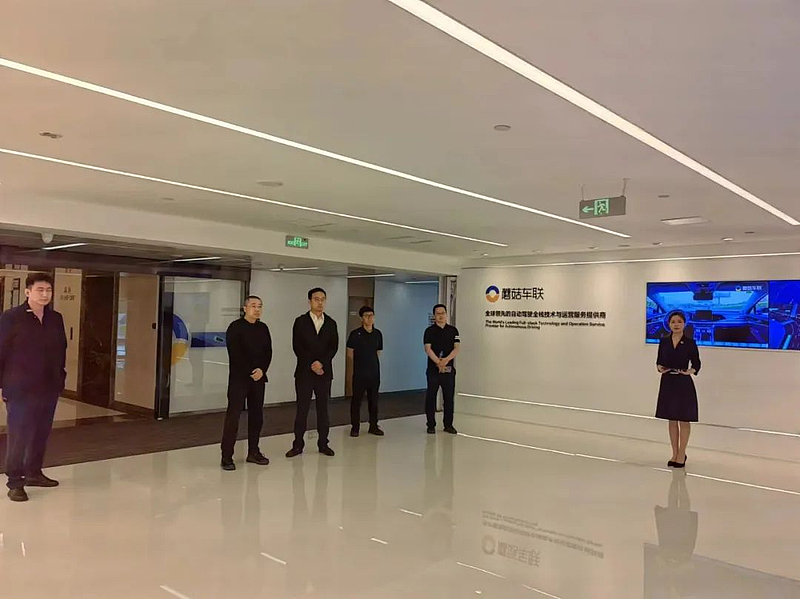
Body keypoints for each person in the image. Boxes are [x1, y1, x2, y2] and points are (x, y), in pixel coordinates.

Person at [0, 272, 67, 502]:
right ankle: (15, 482)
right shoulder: (11, 317)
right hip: (20, 388)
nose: (45, 294)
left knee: (41, 433)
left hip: (49, 387)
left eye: (48, 290)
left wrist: (60, 377)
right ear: (27, 291)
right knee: (19, 435)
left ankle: (34, 473)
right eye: (40, 290)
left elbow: (61, 350)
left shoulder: (55, 318)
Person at [220, 295, 273, 471]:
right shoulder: (235, 327)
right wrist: (251, 371)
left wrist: (262, 370)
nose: (257, 309)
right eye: (253, 306)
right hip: (239, 379)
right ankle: (227, 456)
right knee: (233, 416)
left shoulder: (263, 328)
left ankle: (254, 451)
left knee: (257, 416)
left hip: (258, 379)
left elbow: (268, 352)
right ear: (245, 308)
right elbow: (235, 354)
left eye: (260, 306)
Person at [286, 288, 339, 458]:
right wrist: (312, 363)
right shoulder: (300, 321)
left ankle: (323, 444)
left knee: (323, 410)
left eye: (323, 299)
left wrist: (321, 363)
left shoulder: (331, 323)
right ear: (309, 301)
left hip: (324, 373)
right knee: (302, 410)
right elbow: (297, 346)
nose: (320, 302)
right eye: (316, 299)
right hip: (304, 372)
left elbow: (333, 347)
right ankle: (297, 445)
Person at [655, 311, 701, 468]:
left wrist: (690, 371)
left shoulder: (690, 343)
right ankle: (674, 453)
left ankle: (682, 454)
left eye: (679, 321)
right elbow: (659, 361)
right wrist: (660, 368)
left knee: (684, 419)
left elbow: (696, 363)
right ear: (668, 324)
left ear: (684, 324)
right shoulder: (664, 342)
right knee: (672, 419)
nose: (676, 324)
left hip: (683, 383)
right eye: (673, 322)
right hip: (668, 382)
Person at [347, 306, 384, 437]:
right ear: (361, 318)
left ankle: (373, 426)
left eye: (371, 315)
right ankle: (355, 427)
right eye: (366, 316)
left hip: (374, 373)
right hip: (359, 373)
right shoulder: (355, 334)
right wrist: (360, 363)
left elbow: (378, 351)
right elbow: (350, 352)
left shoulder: (378, 334)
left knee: (374, 401)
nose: (369, 318)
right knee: (356, 401)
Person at [423, 304, 460, 435]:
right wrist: (438, 362)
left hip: (448, 370)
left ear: (446, 314)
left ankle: (448, 425)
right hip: (433, 370)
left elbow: (457, 348)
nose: (440, 315)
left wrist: (445, 361)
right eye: (438, 313)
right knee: (431, 397)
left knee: (449, 398)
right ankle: (431, 424)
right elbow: (428, 349)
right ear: (434, 315)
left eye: (442, 313)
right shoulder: (429, 331)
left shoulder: (453, 331)